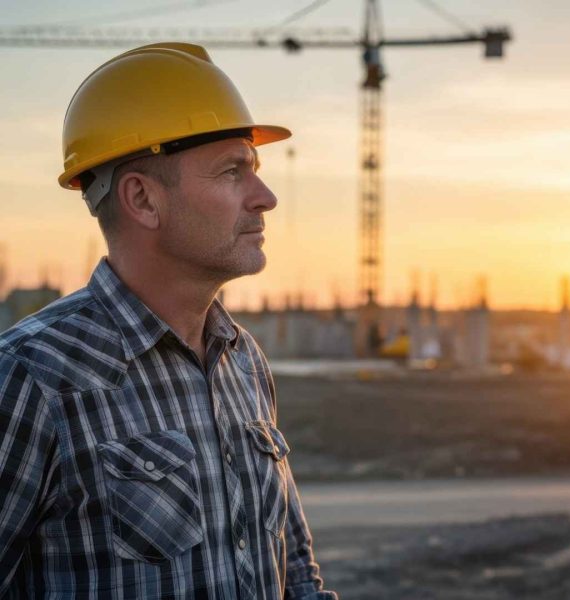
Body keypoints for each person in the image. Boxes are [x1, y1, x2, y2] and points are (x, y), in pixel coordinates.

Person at [0, 42, 337, 599]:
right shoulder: (31, 379)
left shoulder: (242, 359)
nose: (266, 197)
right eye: (233, 172)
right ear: (143, 200)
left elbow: (294, 570)